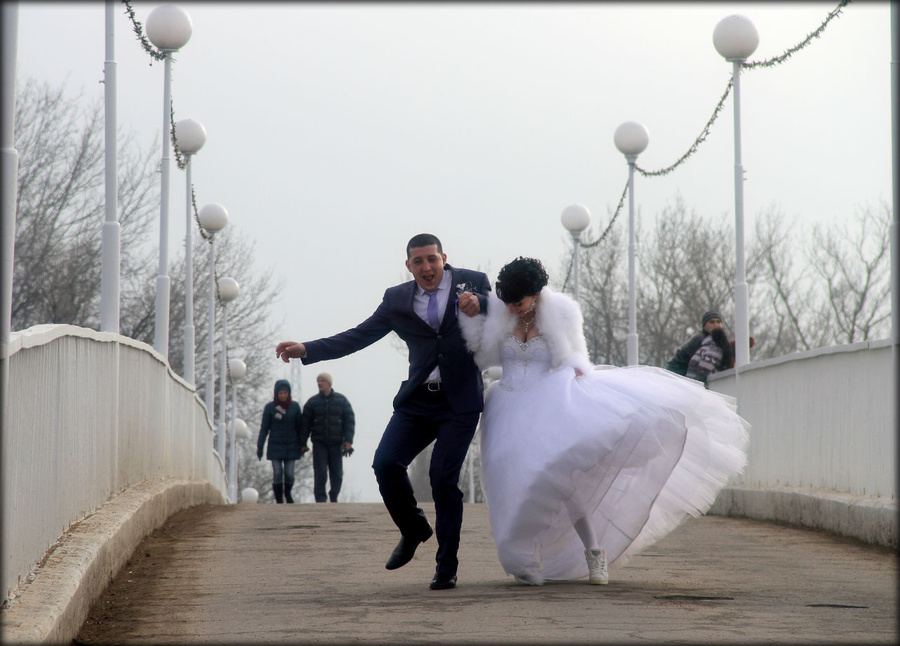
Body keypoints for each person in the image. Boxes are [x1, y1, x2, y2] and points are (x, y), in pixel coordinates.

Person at [458, 257, 749, 586]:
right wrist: (472, 319)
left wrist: (578, 370)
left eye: (519, 302)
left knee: (563, 483)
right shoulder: (499, 312)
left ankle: (595, 552)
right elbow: (481, 354)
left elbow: (576, 355)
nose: (511, 308)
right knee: (511, 481)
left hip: (549, 403)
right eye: (506, 301)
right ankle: (524, 556)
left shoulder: (561, 313)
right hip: (508, 406)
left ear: (537, 294)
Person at [275, 233, 491, 590]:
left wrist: (480, 303)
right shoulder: (397, 300)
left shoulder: (473, 282)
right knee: (386, 464)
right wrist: (307, 349)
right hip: (418, 400)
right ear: (408, 266)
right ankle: (413, 528)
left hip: (460, 402)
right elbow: (358, 336)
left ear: (444, 259)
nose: (426, 267)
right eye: (418, 262)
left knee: (442, 479)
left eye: (432, 259)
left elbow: (502, 310)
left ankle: (446, 566)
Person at [300, 372, 356, 503]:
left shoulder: (342, 401)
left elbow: (349, 421)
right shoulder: (312, 402)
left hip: (336, 443)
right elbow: (305, 425)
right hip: (319, 443)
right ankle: (320, 499)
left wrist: (348, 441)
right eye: (318, 381)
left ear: (329, 384)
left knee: (337, 474)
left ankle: (334, 496)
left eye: (322, 381)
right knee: (320, 473)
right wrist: (302, 443)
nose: (319, 383)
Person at [257, 379, 307, 504]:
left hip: (292, 446)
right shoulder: (270, 408)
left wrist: (302, 445)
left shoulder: (295, 407)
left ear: (289, 393)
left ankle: (288, 493)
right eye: (280, 393)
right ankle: (279, 499)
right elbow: (264, 428)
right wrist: (260, 446)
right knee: (278, 472)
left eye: (285, 393)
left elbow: (300, 427)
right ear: (276, 394)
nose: (283, 395)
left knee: (290, 474)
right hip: (275, 446)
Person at [665, 311, 732, 380]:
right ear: (704, 325)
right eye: (712, 322)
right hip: (678, 372)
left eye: (718, 322)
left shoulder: (716, 340)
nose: (716, 325)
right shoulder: (702, 340)